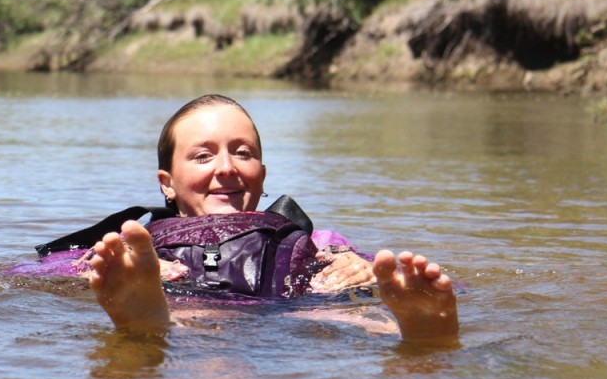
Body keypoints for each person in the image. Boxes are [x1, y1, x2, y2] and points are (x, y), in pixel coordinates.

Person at [84, 94, 459, 342]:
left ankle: (423, 330)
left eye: (243, 153)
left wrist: (364, 270)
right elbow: (56, 270)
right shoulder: (136, 249)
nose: (226, 168)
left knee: (352, 315)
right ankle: (145, 318)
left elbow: (381, 271)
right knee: (190, 326)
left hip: (295, 315)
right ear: (167, 183)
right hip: (186, 314)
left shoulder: (321, 242)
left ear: (261, 176)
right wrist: (107, 275)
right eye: (203, 156)